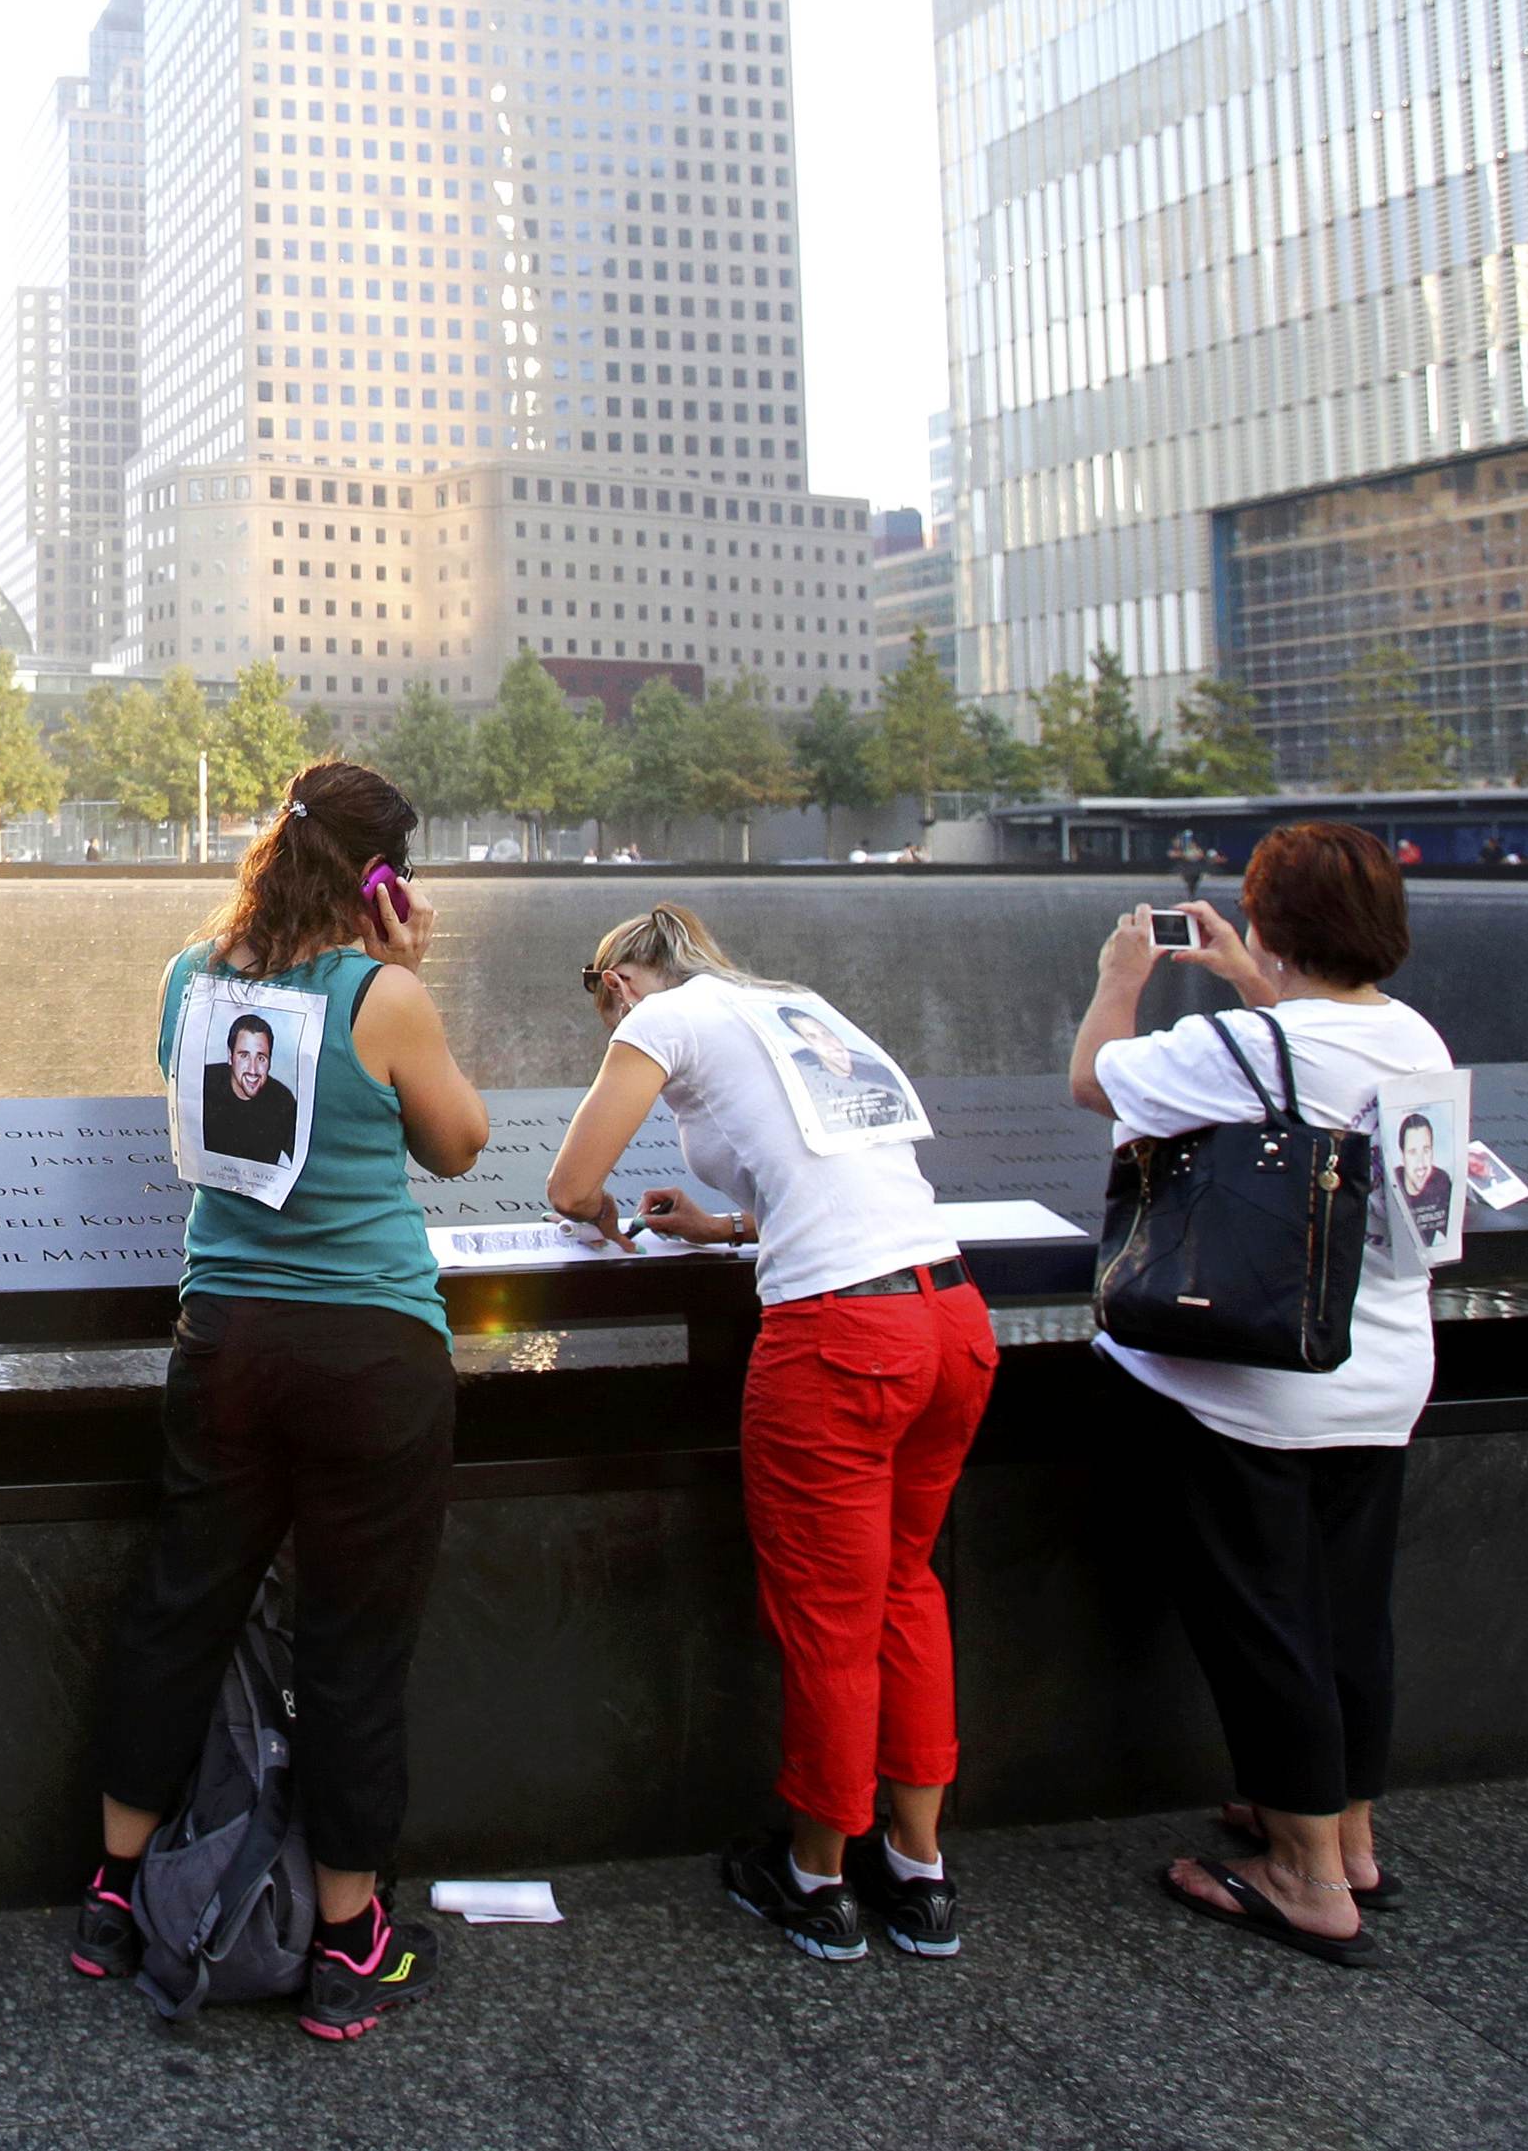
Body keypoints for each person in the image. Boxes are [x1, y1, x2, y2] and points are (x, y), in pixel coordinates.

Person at [74, 759, 489, 2042]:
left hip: (227, 1340)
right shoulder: (385, 993)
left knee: (181, 1604)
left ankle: (112, 1894)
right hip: (369, 1354)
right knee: (354, 1642)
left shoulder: (188, 980)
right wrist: (411, 966)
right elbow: (458, 1141)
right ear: (381, 879)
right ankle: (347, 1941)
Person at [541, 903, 994, 1963]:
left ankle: (815, 1877)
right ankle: (918, 1873)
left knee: (829, 1616)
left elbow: (568, 1182)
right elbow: (841, 1174)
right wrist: (723, 1226)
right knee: (905, 1586)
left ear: (617, 983)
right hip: (948, 1316)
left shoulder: (660, 1019)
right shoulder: (796, 1004)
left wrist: (600, 1213)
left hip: (841, 1341)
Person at [1067, 821, 1449, 1969]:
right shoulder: (1413, 1036)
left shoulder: (1244, 1048)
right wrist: (1249, 974)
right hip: (1382, 1374)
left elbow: (1093, 1078)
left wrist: (1116, 980)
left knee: (1264, 1622)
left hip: (1255, 1390)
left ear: (1271, 923)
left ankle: (1304, 1878)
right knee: (1345, 1615)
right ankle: (1348, 1833)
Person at [775, 1002, 919, 1133]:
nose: (828, 1042)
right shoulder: (803, 1080)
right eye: (812, 1037)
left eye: (826, 1033)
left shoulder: (876, 1069)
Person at [198, 1011, 302, 1164]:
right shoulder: (203, 1083)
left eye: (261, 1058)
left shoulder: (283, 1101)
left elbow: (302, 1162)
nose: (253, 1070)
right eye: (244, 1055)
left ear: (270, 1060)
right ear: (230, 1056)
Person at [1395, 1112, 1453, 1248]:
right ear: (1402, 1155)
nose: (1421, 1163)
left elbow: (1453, 1235)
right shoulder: (1389, 1183)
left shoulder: (1441, 1182)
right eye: (1413, 1152)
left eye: (1426, 1150)